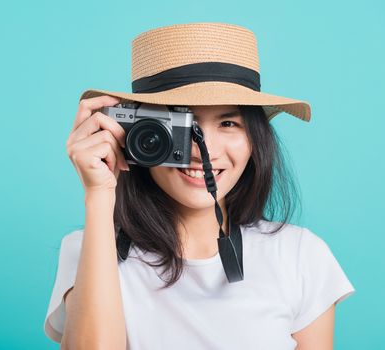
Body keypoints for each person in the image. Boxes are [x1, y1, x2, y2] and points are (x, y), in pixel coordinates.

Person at [45, 22, 355, 349]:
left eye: (228, 122)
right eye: (182, 125)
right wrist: (99, 195)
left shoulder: (299, 255)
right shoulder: (91, 248)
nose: (202, 150)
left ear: (255, 139)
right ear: (137, 134)